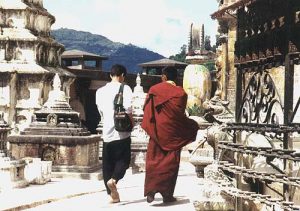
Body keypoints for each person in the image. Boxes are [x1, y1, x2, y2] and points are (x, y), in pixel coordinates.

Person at [141, 66, 199, 203]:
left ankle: (151, 190)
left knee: (153, 161)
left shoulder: (154, 90)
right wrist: (192, 125)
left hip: (156, 134)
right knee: (171, 164)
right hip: (173, 133)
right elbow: (178, 116)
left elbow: (147, 111)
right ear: (177, 78)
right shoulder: (181, 94)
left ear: (164, 77)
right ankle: (167, 195)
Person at [96, 64, 133, 203]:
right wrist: (132, 123)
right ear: (122, 75)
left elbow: (100, 111)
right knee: (123, 160)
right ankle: (114, 180)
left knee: (107, 164)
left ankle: (111, 195)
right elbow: (128, 109)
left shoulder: (100, 91)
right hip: (122, 132)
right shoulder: (125, 88)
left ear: (110, 75)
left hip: (107, 132)